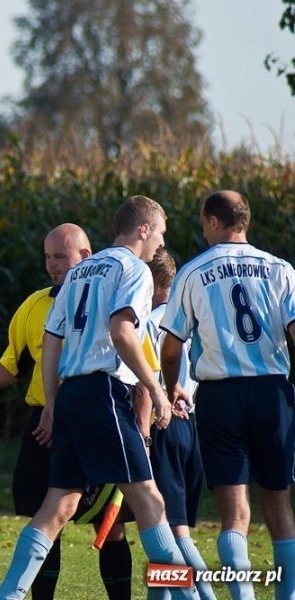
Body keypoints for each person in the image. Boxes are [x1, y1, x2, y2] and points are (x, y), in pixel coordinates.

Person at [0, 195, 194, 600]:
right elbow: (122, 333)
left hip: (72, 393)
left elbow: (52, 342)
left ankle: (7, 596)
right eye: (160, 233)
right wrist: (154, 388)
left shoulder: (81, 271)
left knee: (58, 507)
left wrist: (52, 403)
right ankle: (185, 595)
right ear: (143, 229)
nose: (160, 242)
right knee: (151, 502)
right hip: (105, 392)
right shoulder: (135, 269)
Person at [0, 224, 136, 600]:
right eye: (48, 257)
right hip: (43, 425)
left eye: (60, 256)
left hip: (97, 420)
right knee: (46, 518)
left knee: (113, 523)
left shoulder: (112, 298)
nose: (52, 265)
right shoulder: (35, 304)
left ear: (85, 256)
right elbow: (14, 363)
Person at [159, 190, 295, 600]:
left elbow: (171, 346)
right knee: (279, 507)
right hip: (272, 392)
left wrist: (171, 387)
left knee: (234, 513)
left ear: (215, 221)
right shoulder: (280, 268)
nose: (203, 231)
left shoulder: (193, 271)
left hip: (221, 396)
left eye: (203, 223)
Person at [139, 248, 215, 600]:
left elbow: (144, 383)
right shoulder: (189, 320)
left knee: (173, 533)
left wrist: (144, 435)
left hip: (162, 425)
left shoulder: (148, 322)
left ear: (149, 282)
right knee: (164, 533)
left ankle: (204, 595)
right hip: (192, 426)